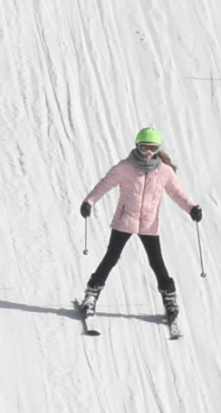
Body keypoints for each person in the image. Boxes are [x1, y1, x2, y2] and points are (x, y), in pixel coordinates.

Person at [79, 126, 203, 323]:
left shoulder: (164, 171)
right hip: (125, 220)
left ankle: (169, 298)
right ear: (137, 146)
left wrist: (191, 208)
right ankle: (91, 294)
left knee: (156, 261)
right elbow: (104, 185)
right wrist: (89, 202)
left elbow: (176, 193)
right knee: (111, 258)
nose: (148, 152)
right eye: (144, 147)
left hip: (149, 223)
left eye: (153, 148)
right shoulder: (125, 167)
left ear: (158, 149)